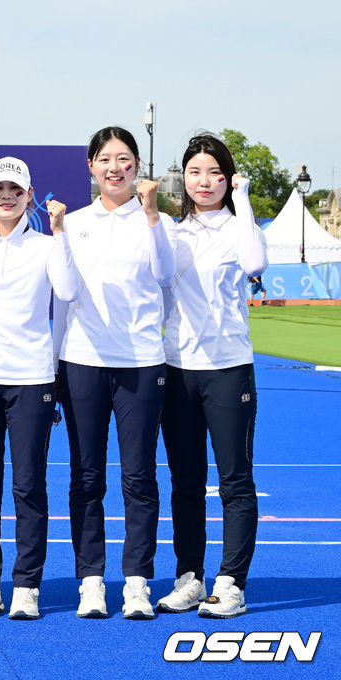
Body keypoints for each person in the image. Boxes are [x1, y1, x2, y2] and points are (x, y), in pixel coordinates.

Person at [54, 126, 176, 619]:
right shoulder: (73, 222)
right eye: (105, 159)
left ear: (137, 166)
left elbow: (166, 275)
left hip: (142, 364)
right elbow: (63, 297)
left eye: (124, 159)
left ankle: (136, 581)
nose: (114, 167)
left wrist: (150, 217)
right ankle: (90, 580)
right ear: (91, 166)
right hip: (82, 361)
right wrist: (54, 364)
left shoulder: (155, 221)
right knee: (86, 477)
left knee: (139, 477)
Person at [0, 158, 79, 620]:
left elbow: (66, 291)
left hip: (32, 379)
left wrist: (61, 230)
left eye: (15, 189)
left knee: (29, 486)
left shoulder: (47, 246)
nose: (6, 196)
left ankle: (27, 585)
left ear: (30, 195)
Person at [156, 134, 266, 618]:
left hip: (228, 370)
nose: (205, 182)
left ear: (227, 176)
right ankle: (190, 577)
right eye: (195, 172)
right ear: (185, 178)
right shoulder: (172, 231)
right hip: (178, 369)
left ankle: (231, 581)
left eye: (215, 172)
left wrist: (242, 199)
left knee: (235, 480)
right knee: (184, 481)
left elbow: (256, 264)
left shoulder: (241, 226)